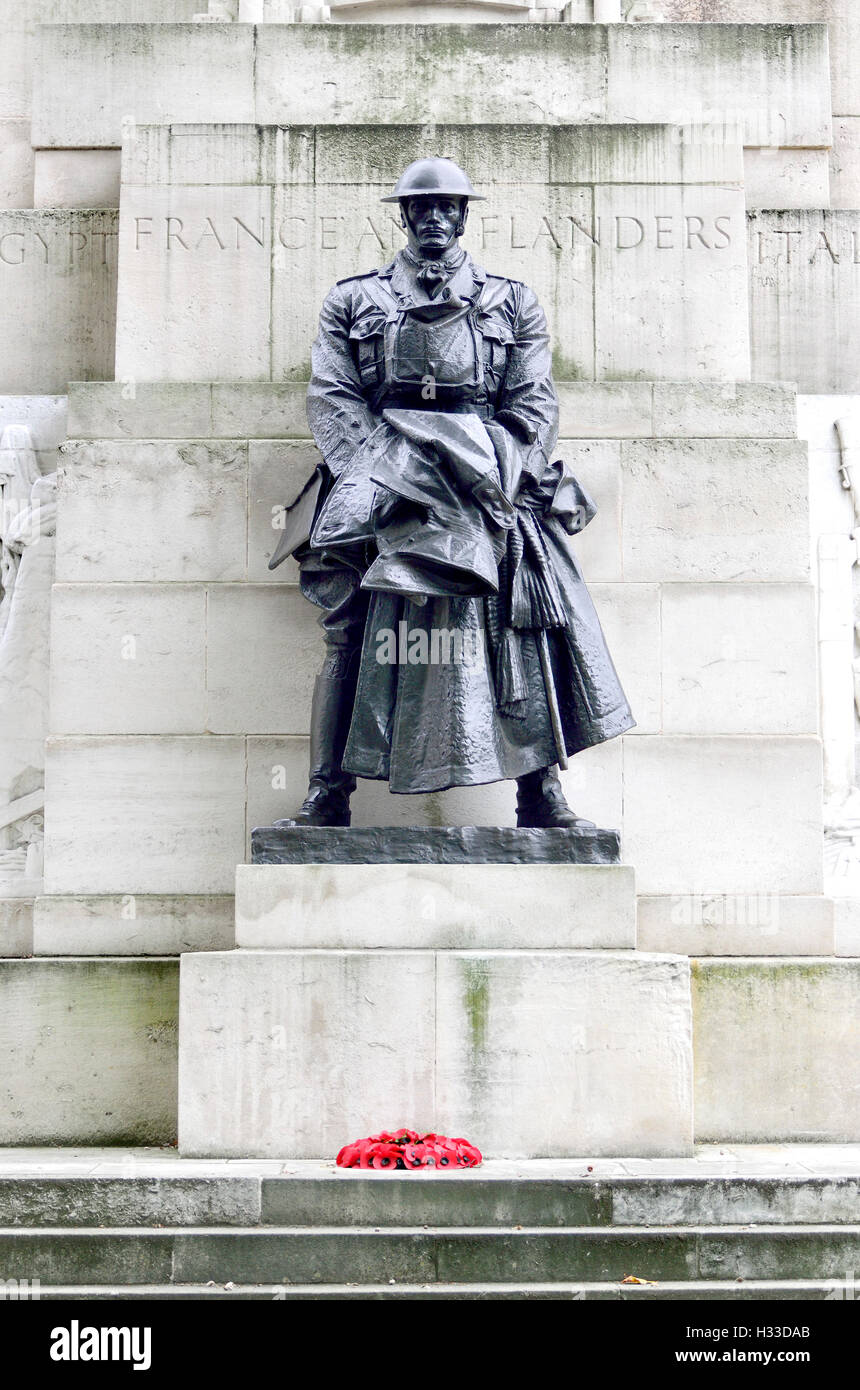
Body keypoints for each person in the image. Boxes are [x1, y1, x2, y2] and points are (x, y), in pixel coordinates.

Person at [269, 157, 635, 827]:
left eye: (448, 207)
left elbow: (532, 405)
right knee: (346, 631)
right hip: (379, 477)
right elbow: (333, 398)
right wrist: (386, 479)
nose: (436, 217)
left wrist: (497, 472)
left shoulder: (511, 300)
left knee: (524, 615)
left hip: (485, 477)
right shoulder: (354, 299)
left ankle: (540, 793)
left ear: (464, 216)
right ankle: (327, 794)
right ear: (403, 215)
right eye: (422, 207)